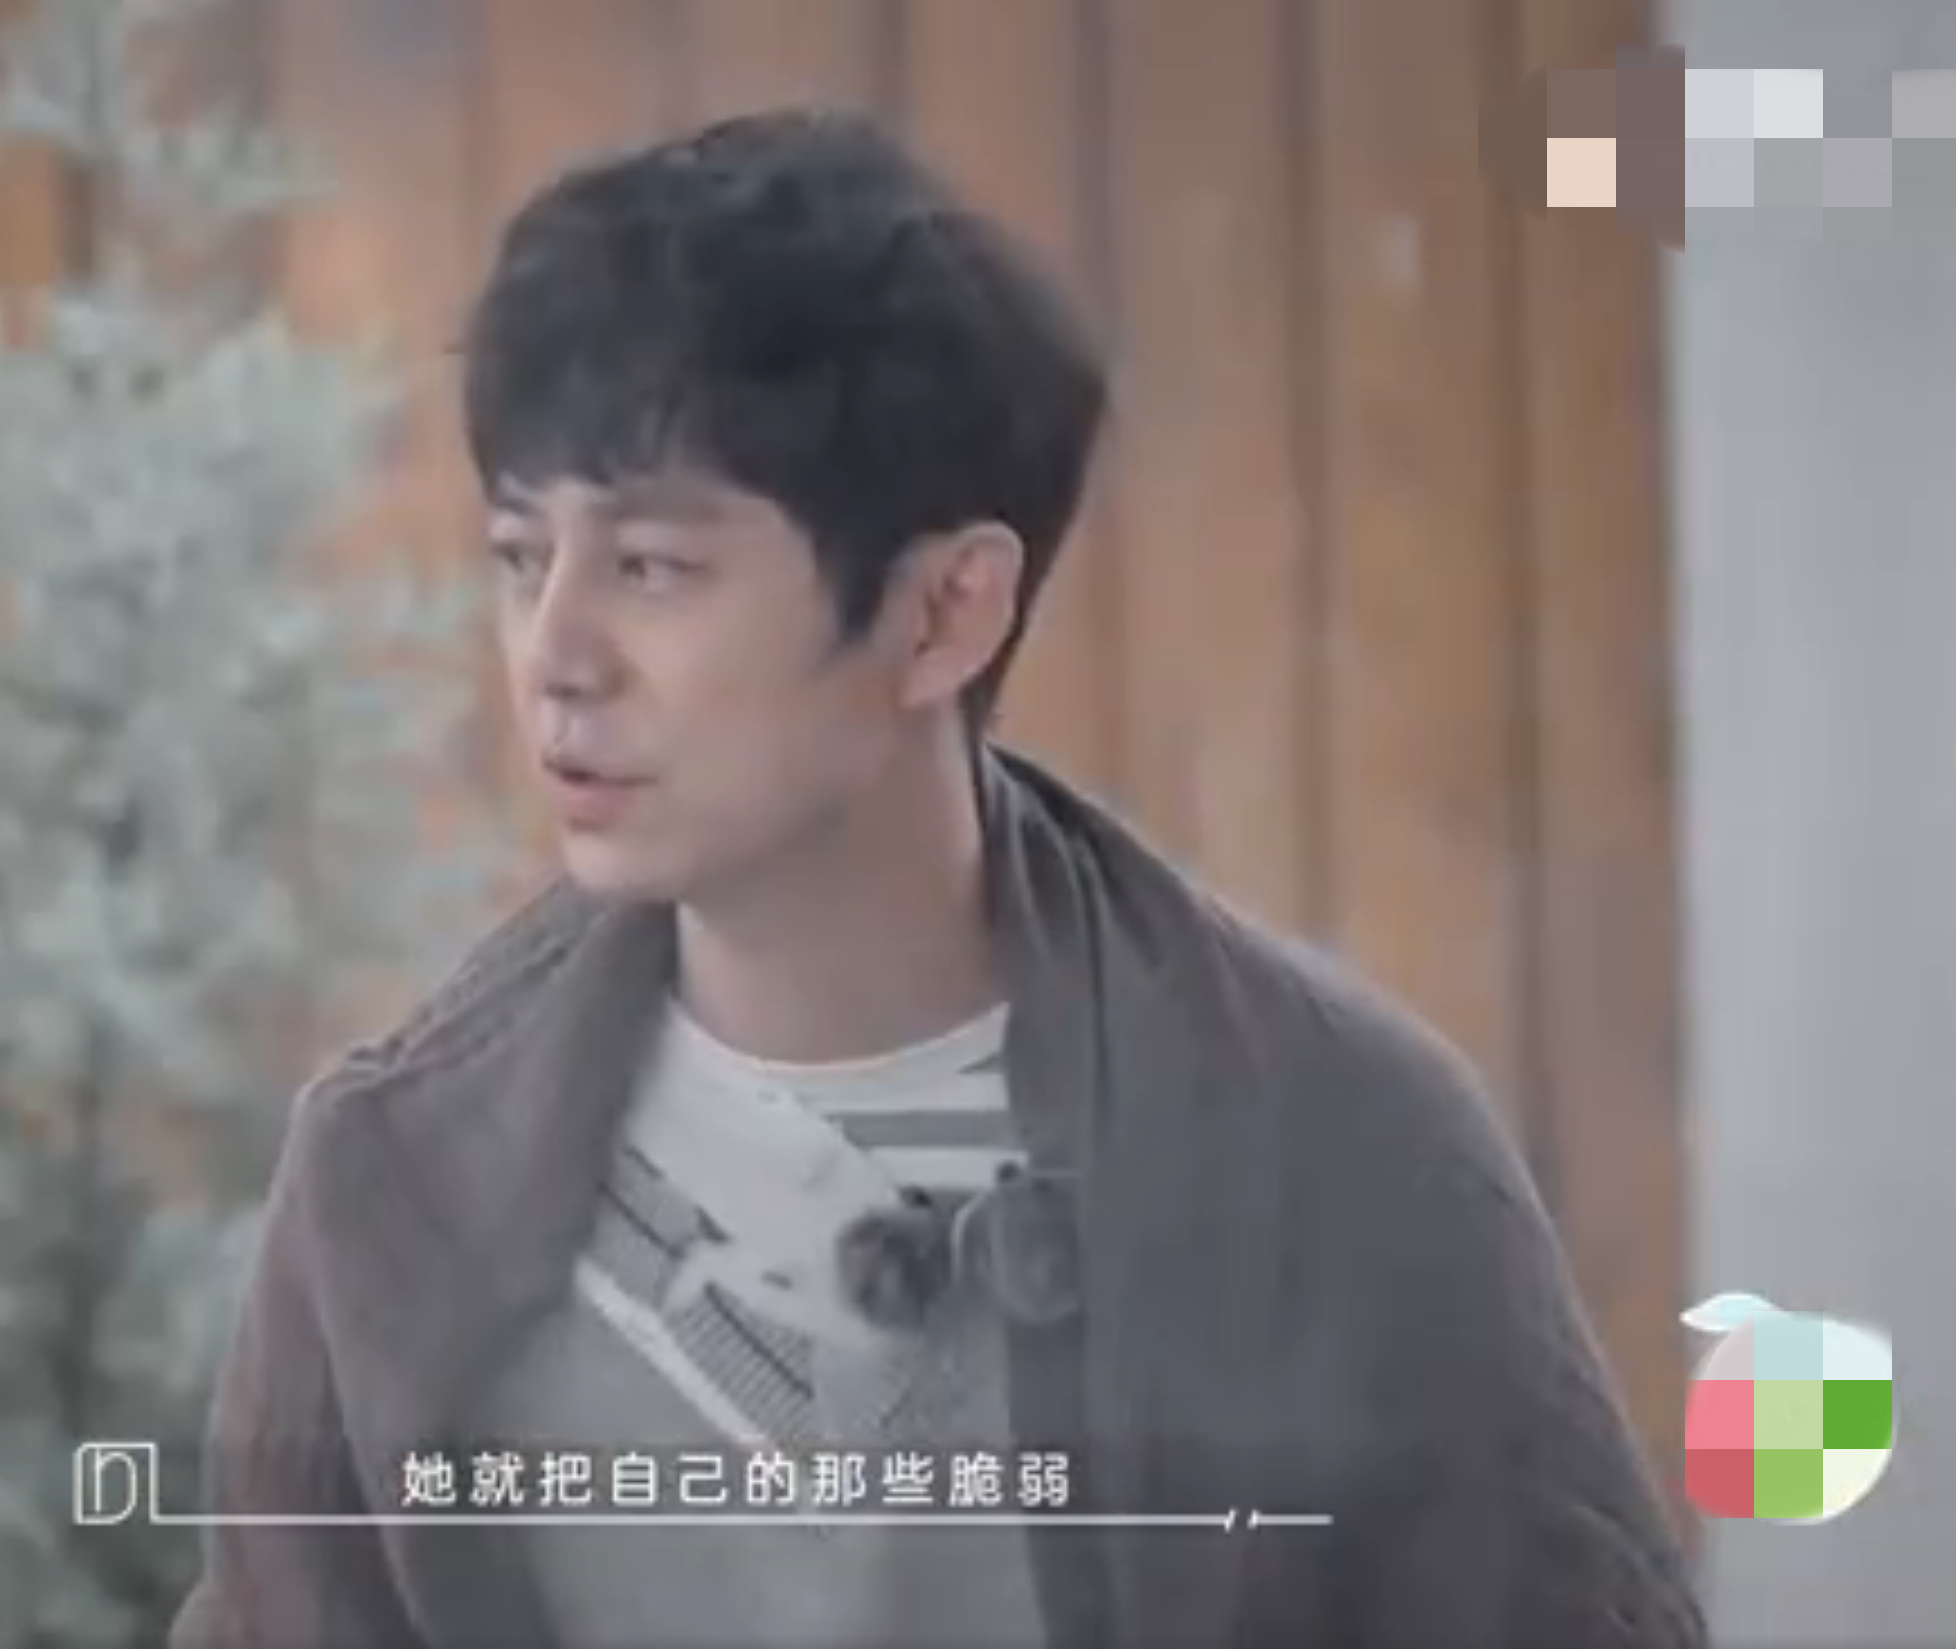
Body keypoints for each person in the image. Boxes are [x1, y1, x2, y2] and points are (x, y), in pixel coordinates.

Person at [170, 109, 1704, 1649]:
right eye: (521, 558)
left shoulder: (1334, 1154)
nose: (554, 656)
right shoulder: (399, 1179)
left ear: (943, 614)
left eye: (651, 568)